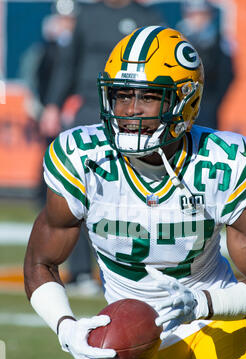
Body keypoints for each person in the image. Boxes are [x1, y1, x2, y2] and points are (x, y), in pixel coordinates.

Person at [24, 26, 246, 359]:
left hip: (215, 323)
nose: (130, 111)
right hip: (142, 338)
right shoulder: (83, 158)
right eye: (121, 95)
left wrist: (202, 303)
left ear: (185, 100)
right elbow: (41, 261)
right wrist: (66, 329)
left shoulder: (223, 162)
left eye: (148, 97)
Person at [39, 0, 164, 293]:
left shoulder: (146, 17)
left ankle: (148, 266)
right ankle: (81, 271)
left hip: (134, 110)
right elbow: (68, 63)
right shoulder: (87, 15)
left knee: (140, 190)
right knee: (81, 190)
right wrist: (54, 105)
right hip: (91, 107)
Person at [176, 0, 234, 129]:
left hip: (208, 102)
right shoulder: (178, 40)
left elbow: (226, 74)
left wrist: (214, 100)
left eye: (201, 14)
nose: (197, 19)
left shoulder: (219, 41)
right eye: (192, 14)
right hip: (183, 102)